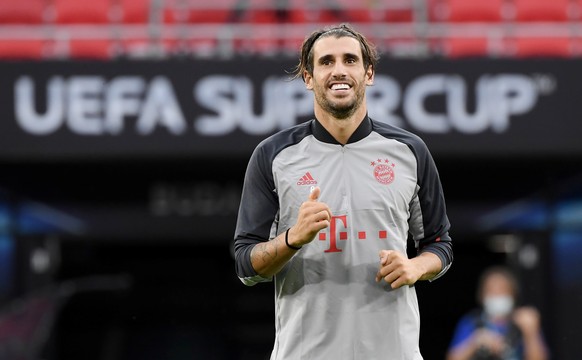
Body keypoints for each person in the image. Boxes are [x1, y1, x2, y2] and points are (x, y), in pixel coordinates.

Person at [233, 23, 453, 360]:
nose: (339, 70)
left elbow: (440, 244)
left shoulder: (410, 151)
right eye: (326, 62)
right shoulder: (274, 155)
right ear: (308, 77)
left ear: (368, 73)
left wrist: (416, 267)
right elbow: (246, 264)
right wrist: (293, 238)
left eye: (350, 60)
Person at [446, 266, 549, 360]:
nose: (496, 294)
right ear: (481, 296)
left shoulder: (523, 323)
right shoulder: (471, 322)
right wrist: (475, 343)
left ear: (513, 294)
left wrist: (531, 334)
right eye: (491, 290)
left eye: (502, 289)